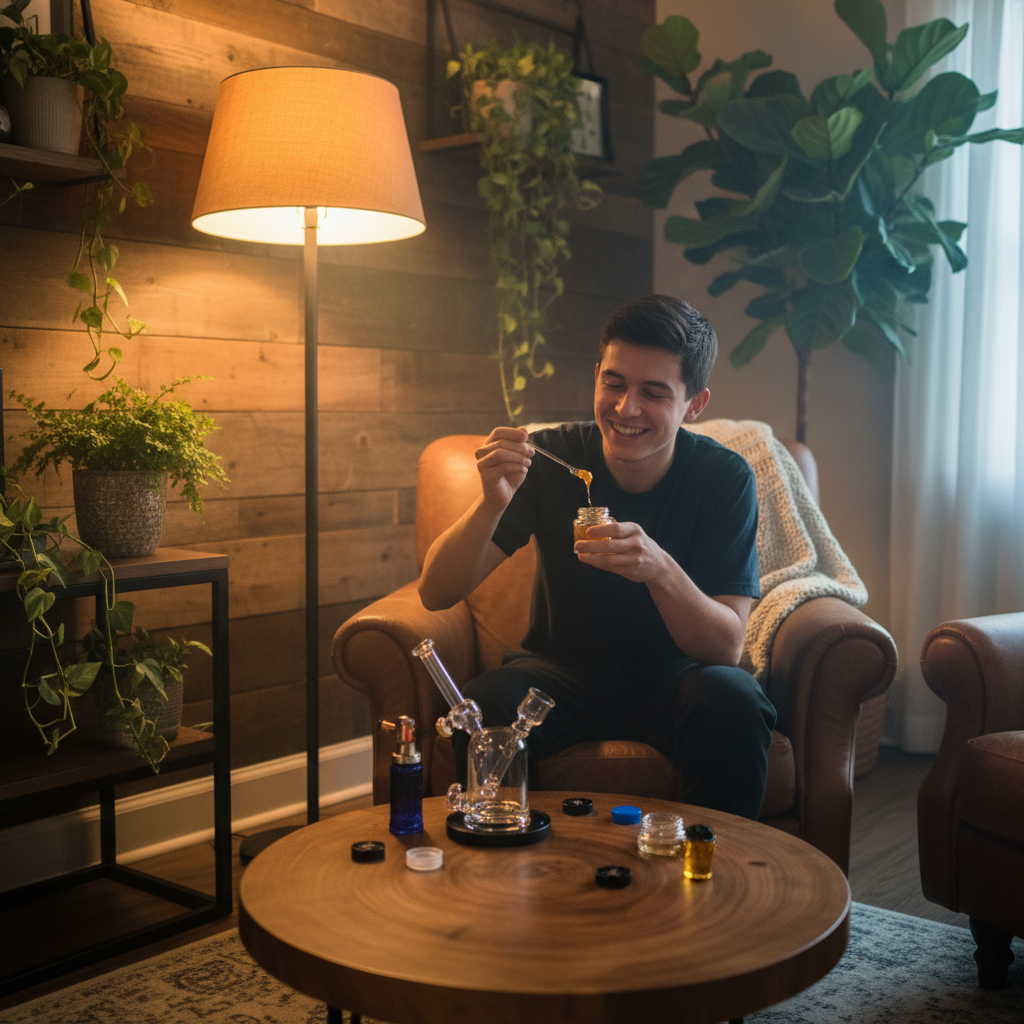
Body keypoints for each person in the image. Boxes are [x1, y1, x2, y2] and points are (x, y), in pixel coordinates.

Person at [418, 294, 776, 819]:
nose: (626, 408)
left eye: (653, 393)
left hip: (677, 680)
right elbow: (435, 591)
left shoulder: (723, 478)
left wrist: (657, 567)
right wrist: (491, 502)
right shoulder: (551, 461)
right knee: (489, 702)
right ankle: (503, 875)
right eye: (614, 383)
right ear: (596, 376)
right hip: (559, 674)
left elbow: (725, 645)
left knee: (734, 699)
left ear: (694, 404)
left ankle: (718, 879)